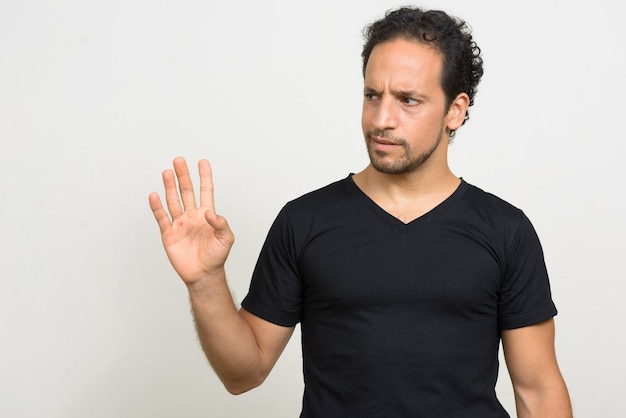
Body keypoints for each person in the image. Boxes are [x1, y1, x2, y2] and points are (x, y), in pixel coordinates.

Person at [149, 6, 572, 417]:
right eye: (373, 95)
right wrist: (206, 281)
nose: (381, 119)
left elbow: (537, 390)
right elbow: (243, 373)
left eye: (408, 100)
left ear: (455, 111)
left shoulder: (505, 230)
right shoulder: (304, 221)